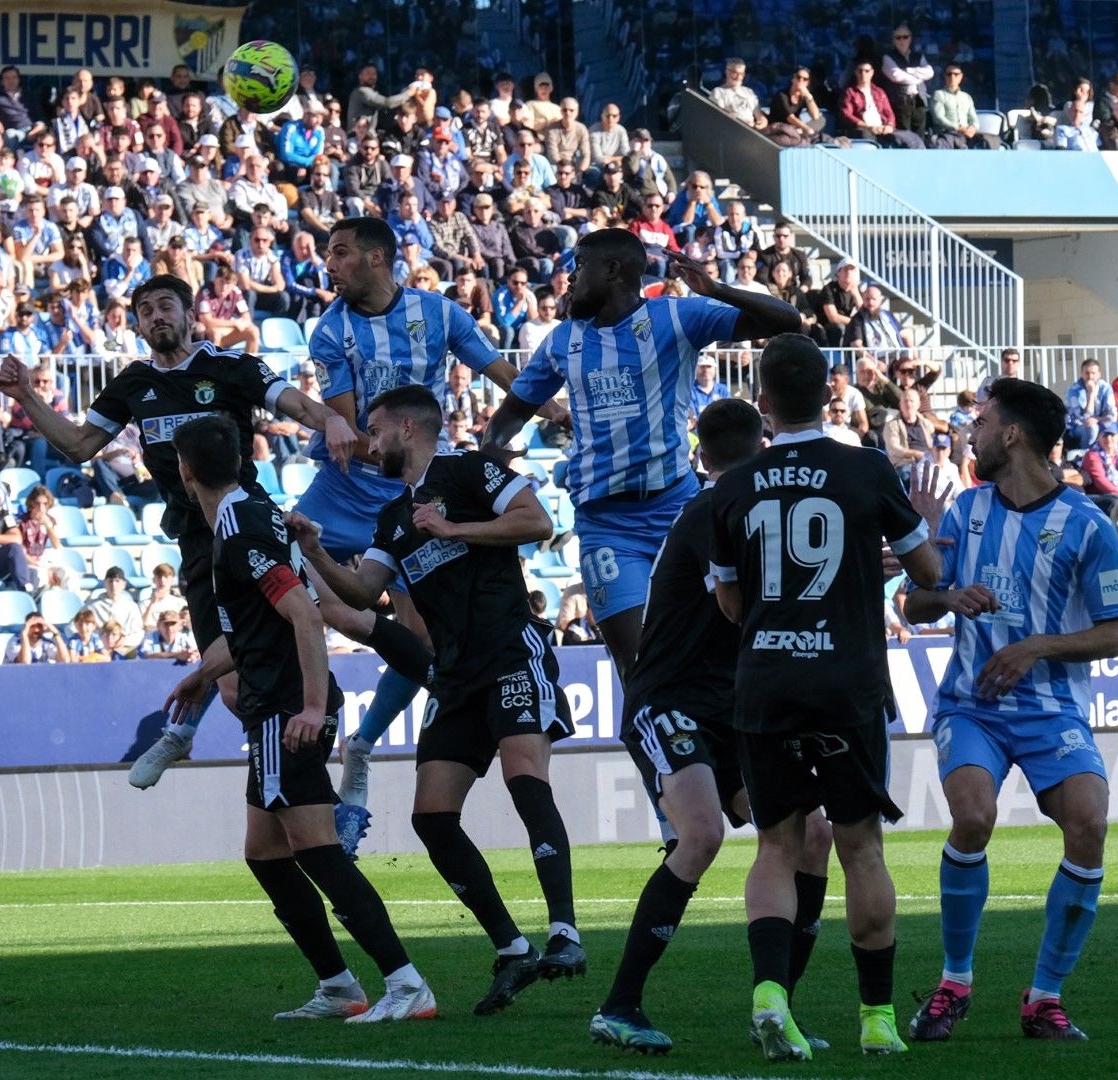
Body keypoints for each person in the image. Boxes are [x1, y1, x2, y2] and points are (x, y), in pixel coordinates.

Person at [0, 273, 357, 789]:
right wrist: (26, 396)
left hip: (249, 527)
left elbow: (295, 405)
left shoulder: (229, 368)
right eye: (146, 310)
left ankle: (331, 758)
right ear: (138, 324)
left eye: (167, 305)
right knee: (235, 689)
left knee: (331, 618)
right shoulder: (133, 384)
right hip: (197, 544)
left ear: (190, 314)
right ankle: (264, 763)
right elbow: (78, 446)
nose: (157, 316)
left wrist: (333, 422)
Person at [293, 384, 584, 1015]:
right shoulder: (393, 518)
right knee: (431, 816)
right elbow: (364, 589)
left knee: (524, 775)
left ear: (404, 428)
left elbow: (538, 522)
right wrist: (313, 552)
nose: (369, 442)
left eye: (373, 429)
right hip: (456, 677)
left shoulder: (471, 470)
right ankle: (511, 948)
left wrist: (454, 526)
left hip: (511, 651)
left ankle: (565, 932)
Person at [157, 413, 436, 1023]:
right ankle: (338, 985)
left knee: (317, 850)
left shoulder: (241, 529)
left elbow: (307, 617)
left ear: (183, 472)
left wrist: (312, 706)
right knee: (266, 853)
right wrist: (202, 675)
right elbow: (260, 625)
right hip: (271, 707)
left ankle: (406, 983)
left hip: (286, 709)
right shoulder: (249, 517)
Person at [708, 335, 941, 1058]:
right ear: (829, 392)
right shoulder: (867, 468)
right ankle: (877, 1019)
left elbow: (729, 606)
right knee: (861, 847)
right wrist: (919, 528)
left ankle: (772, 994)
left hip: (768, 682)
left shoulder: (734, 486)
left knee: (777, 845)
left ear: (765, 404)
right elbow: (927, 574)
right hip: (848, 681)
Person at [592, 398, 835, 1054]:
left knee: (811, 833)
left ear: (700, 455)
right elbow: (762, 605)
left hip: (735, 710)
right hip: (668, 700)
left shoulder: (741, 513)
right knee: (699, 835)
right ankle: (619, 1006)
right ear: (764, 449)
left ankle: (778, 1006)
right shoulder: (714, 514)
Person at [901, 377, 1118, 1044]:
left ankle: (1045, 1000)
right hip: (971, 705)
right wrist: (948, 598)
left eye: (981, 421)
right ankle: (953, 984)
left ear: (1011, 435)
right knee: (973, 816)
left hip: (1052, 708)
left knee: (1088, 823)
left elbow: (1114, 634)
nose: (970, 433)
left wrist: (1036, 647)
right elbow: (913, 605)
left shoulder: (1088, 526)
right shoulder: (965, 511)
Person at [302, 217, 542, 823]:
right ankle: (195, 713)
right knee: (275, 578)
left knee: (424, 642)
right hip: (345, 490)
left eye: (339, 253)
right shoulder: (330, 331)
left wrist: (549, 405)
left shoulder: (439, 314)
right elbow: (354, 436)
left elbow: (503, 376)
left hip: (407, 496)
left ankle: (360, 745)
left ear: (377, 257)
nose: (327, 265)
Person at [483, 231, 800, 687]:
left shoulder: (676, 317)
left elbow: (786, 319)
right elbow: (505, 420)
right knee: (641, 672)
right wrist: (492, 476)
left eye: (579, 265)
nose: (569, 278)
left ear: (612, 270)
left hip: (679, 512)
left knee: (729, 645)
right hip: (606, 525)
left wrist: (717, 290)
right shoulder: (561, 342)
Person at [1063, 359, 1115, 450]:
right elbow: (1084, 418)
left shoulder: (1106, 388)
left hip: (1099, 422)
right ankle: (1085, 456)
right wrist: (1091, 394)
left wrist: (1097, 419)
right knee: (1092, 428)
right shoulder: (1074, 391)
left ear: (1099, 374)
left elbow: (1111, 415)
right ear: (1082, 374)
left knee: (1116, 428)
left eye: (1093, 373)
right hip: (1077, 427)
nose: (1090, 376)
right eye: (1087, 373)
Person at [8, 611, 73, 664]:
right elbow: (24, 663)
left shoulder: (46, 642)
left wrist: (56, 633)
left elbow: (64, 661)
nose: (36, 630)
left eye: (39, 626)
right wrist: (24, 635)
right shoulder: (15, 642)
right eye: (32, 626)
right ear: (26, 627)